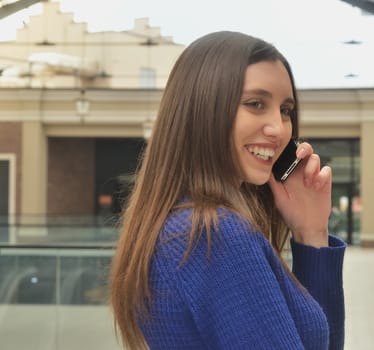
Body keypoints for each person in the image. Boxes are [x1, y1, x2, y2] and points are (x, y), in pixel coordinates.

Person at [109, 31, 347, 350]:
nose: (278, 128)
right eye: (255, 104)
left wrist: (311, 231)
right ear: (204, 109)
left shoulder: (184, 226)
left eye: (286, 110)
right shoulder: (216, 236)